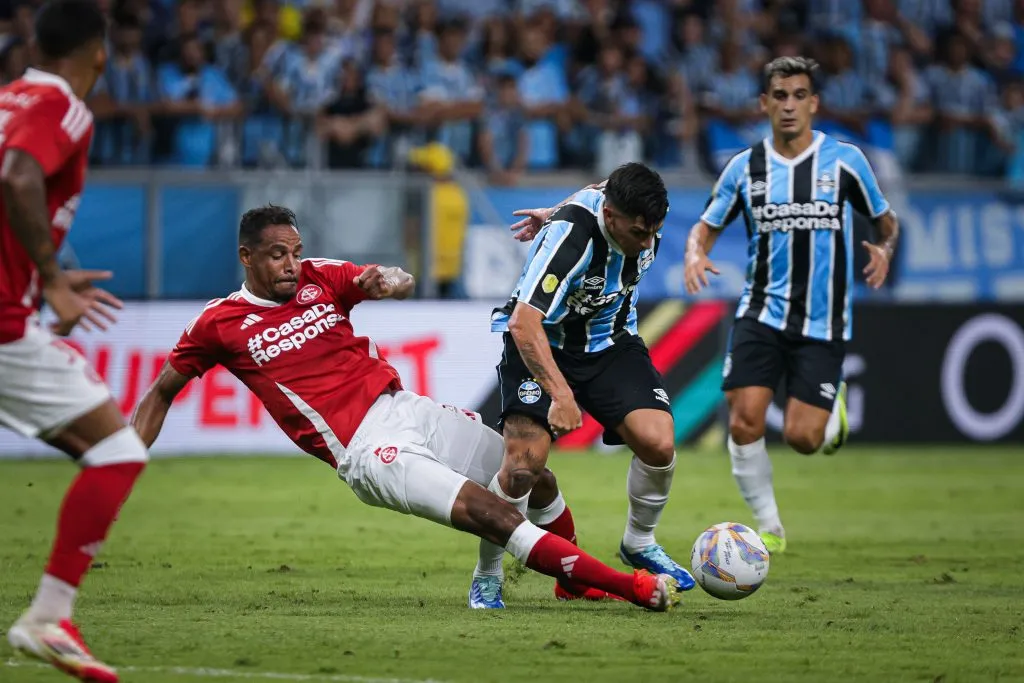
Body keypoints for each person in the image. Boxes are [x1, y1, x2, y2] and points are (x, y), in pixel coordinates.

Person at [130, 204, 681, 615]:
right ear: (246, 257)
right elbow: (159, 393)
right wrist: (124, 465)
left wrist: (391, 281)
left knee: (530, 477)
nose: (292, 264)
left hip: (406, 408)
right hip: (369, 451)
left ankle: (573, 582)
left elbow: (390, 277)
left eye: (296, 251)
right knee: (493, 513)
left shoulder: (318, 275)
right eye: (278, 255)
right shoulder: (218, 323)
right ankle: (629, 587)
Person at [683, 57, 900, 554]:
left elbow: (886, 221)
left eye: (799, 95)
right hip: (760, 312)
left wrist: (885, 250)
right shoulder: (744, 167)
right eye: (779, 96)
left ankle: (830, 404)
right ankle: (770, 527)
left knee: (804, 438)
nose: (788, 105)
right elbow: (705, 225)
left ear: (814, 103)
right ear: (764, 103)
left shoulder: (845, 161)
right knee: (744, 419)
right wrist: (695, 253)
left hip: (823, 321)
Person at [1, 2, 151, 682]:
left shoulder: (7, 99)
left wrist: (40, 275)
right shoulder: (63, 106)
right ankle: (47, 616)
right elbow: (17, 177)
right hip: (3, 325)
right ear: (99, 53)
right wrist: (53, 277)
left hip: (15, 306)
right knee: (117, 450)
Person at [472, 162, 696, 610]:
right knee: (523, 465)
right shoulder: (569, 241)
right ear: (609, 216)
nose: (648, 242)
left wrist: (554, 207)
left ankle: (639, 541)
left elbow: (599, 186)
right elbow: (523, 323)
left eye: (654, 232)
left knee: (658, 443)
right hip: (541, 343)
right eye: (639, 233)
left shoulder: (636, 207)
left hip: (610, 341)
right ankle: (487, 574)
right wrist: (562, 394)